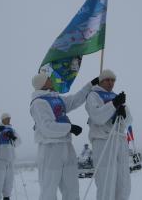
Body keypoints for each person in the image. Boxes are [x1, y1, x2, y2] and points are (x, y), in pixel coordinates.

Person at [30, 72, 96, 200]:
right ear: (43, 83)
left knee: (72, 188)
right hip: (50, 149)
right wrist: (69, 128)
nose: (52, 79)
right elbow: (47, 127)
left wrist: (90, 85)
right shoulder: (38, 103)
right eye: (48, 78)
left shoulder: (57, 99)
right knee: (48, 189)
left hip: (66, 146)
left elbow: (75, 99)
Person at [86, 69, 132, 200]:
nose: (110, 83)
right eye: (107, 80)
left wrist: (124, 114)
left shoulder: (116, 96)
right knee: (106, 181)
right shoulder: (93, 96)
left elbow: (128, 121)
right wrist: (113, 105)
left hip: (120, 140)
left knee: (123, 182)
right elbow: (97, 117)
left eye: (113, 80)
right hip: (103, 140)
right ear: (101, 81)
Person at [0, 113, 21, 200]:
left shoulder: (12, 129)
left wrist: (13, 137)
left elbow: (19, 142)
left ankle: (7, 196)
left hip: (10, 160)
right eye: (7, 118)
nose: (9, 120)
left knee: (9, 181)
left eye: (9, 118)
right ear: (2, 119)